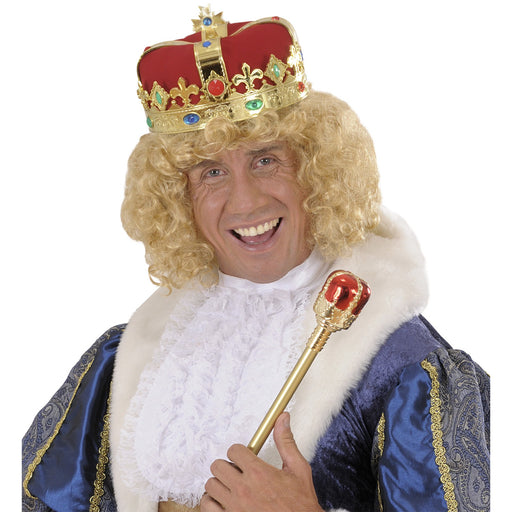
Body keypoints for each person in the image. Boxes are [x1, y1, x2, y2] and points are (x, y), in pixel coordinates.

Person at [22, 6, 490, 512]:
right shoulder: (127, 360)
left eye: (266, 159)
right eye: (211, 172)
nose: (244, 203)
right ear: (178, 197)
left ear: (316, 169)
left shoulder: (402, 365)